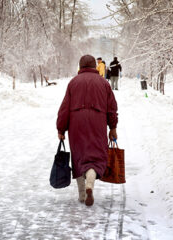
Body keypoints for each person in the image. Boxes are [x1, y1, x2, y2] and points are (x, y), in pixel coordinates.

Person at [57, 55, 118, 207]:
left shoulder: (73, 83)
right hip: (98, 122)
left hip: (76, 124)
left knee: (79, 156)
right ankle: (90, 184)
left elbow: (64, 108)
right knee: (95, 157)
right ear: (94, 66)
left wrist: (61, 128)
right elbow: (112, 108)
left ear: (80, 66)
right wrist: (113, 127)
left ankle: (82, 194)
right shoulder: (103, 83)